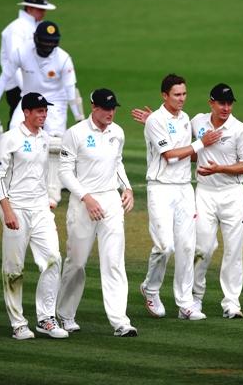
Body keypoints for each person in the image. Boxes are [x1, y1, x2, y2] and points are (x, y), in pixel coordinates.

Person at [138, 73, 221, 321]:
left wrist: (208, 157)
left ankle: (185, 304)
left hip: (185, 188)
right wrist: (201, 144)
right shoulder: (155, 120)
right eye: (176, 95)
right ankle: (150, 289)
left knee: (186, 247)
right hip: (161, 188)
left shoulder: (185, 119)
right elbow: (171, 156)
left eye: (184, 94)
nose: (182, 99)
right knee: (165, 247)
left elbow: (187, 154)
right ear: (165, 95)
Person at [56, 88, 138, 337]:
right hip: (83, 203)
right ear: (94, 107)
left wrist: (128, 188)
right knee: (77, 262)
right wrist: (86, 198)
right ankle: (64, 315)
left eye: (113, 108)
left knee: (114, 261)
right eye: (105, 108)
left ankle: (120, 321)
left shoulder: (118, 132)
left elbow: (118, 162)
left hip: (111, 201)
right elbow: (65, 172)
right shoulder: (76, 133)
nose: (110, 113)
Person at [0, 92, 68, 340]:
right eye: (39, 111)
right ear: (26, 113)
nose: (43, 115)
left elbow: (62, 157)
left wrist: (51, 199)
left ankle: (46, 318)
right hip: (15, 209)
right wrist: (7, 209)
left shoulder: (46, 139)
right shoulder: (10, 139)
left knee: (53, 259)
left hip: (40, 210)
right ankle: (18, 323)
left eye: (45, 111)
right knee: (14, 268)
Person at [3, 20, 84, 208]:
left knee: (55, 144)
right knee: (17, 139)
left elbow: (71, 91)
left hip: (57, 103)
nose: (48, 46)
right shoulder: (24, 52)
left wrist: (79, 117)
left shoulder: (63, 58)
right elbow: (5, 77)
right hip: (30, 98)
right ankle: (18, 185)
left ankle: (53, 193)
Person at [190, 83, 243, 319]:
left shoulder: (241, 130)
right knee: (202, 248)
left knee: (234, 251)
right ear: (211, 103)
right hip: (204, 194)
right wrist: (152, 122)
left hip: (232, 194)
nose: (226, 108)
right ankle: (195, 299)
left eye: (229, 103)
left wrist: (220, 169)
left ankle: (231, 303)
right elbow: (183, 143)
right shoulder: (197, 122)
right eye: (221, 103)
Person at [0, 0, 56, 126]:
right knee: (19, 126)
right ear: (30, 8)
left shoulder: (36, 26)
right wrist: (28, 90)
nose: (43, 13)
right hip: (19, 87)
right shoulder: (16, 29)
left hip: (36, 84)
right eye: (40, 9)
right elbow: (16, 65)